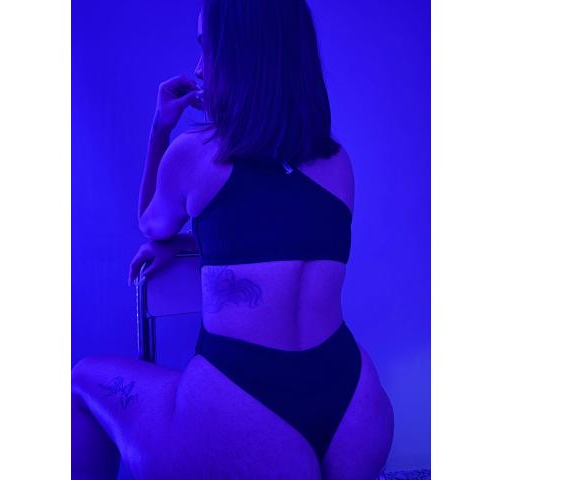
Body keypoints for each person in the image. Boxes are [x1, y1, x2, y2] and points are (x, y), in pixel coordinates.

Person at [72, 1, 394, 478]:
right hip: (354, 403)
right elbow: (280, 239)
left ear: (243, 58)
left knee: (81, 380)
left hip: (243, 404)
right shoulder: (337, 163)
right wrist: (195, 244)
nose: (200, 69)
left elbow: (151, 224)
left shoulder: (195, 154)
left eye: (208, 50)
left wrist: (161, 127)